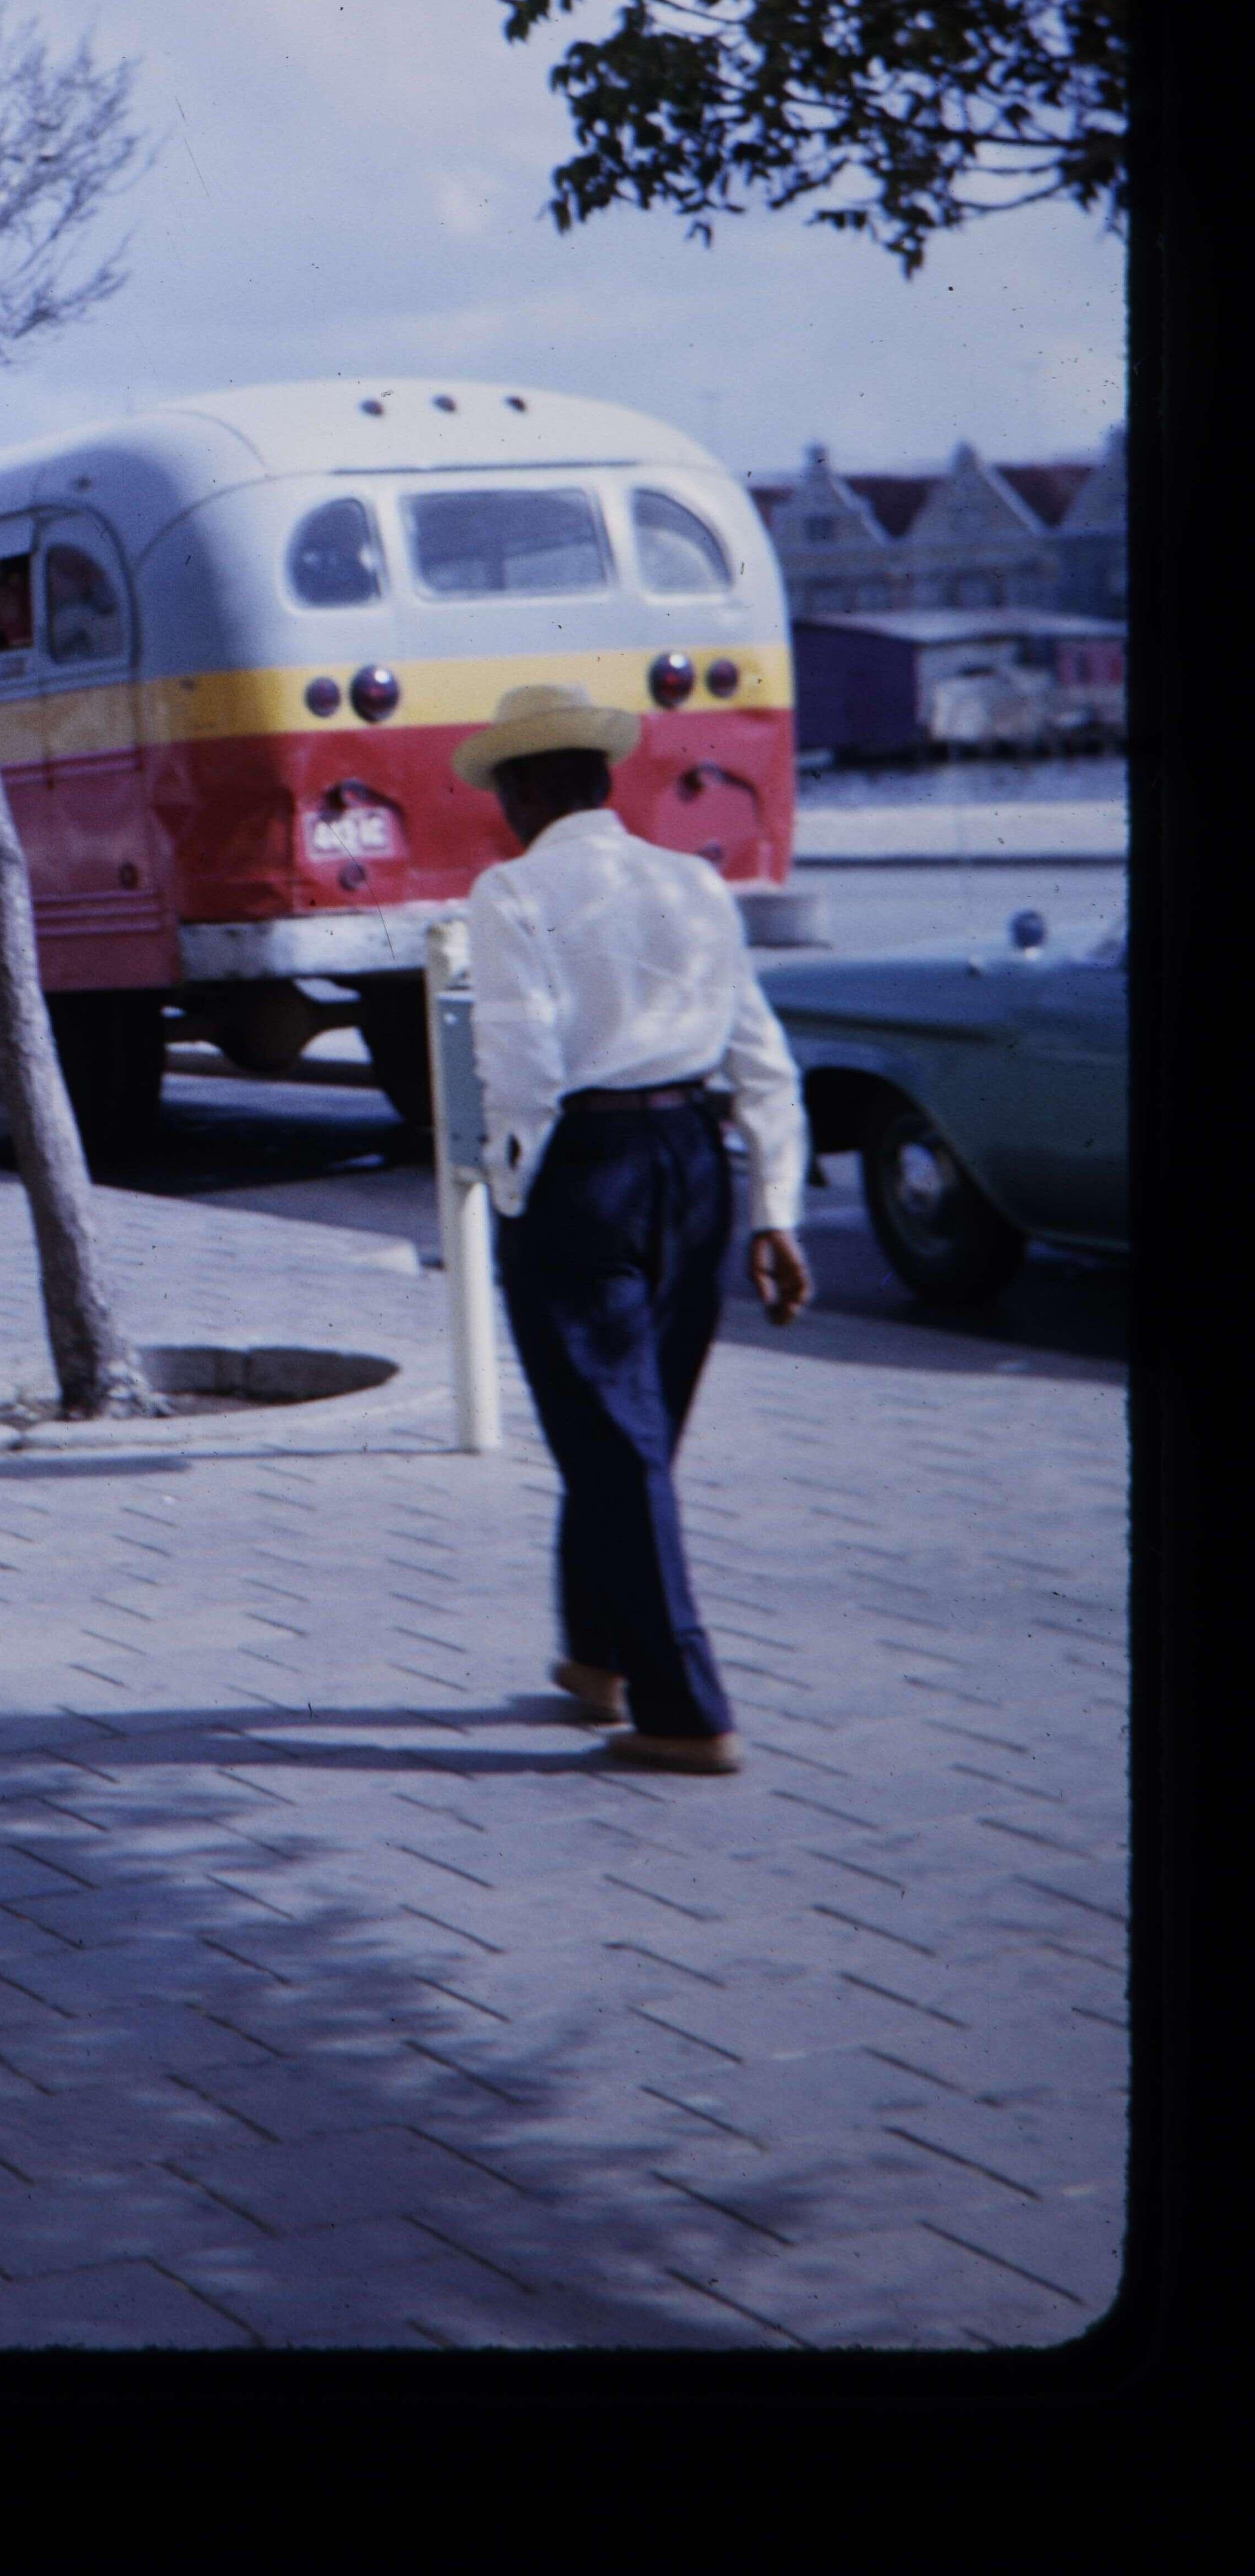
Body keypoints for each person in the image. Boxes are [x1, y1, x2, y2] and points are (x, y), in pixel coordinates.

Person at [456, 680, 812, 1779]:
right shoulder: (692, 881)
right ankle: (596, 1652)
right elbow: (763, 1058)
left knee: (612, 1439)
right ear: (600, 784)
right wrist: (774, 1212)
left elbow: (518, 1068)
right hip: (693, 1165)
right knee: (626, 1428)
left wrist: (510, 1193)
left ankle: (684, 1709)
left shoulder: (509, 890)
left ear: (521, 793)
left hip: (587, 1169)